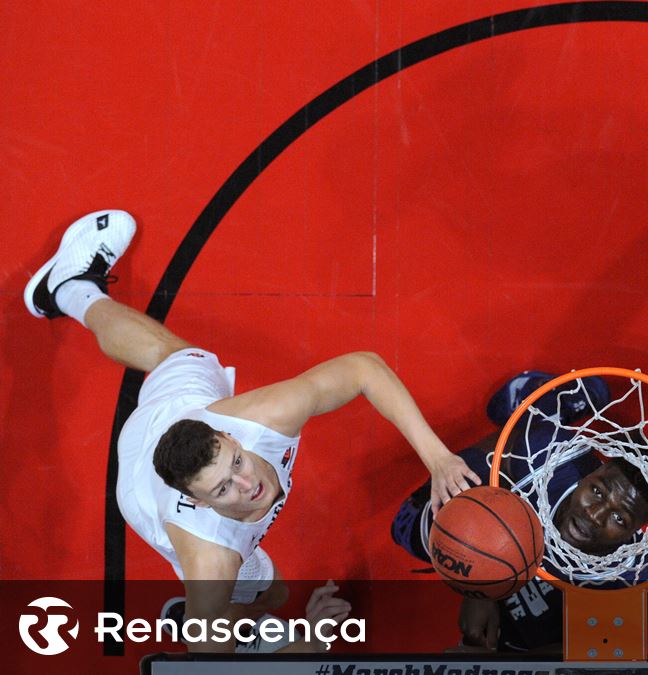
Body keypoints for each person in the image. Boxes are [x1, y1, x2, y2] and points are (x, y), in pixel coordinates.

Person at [24, 211, 478, 651]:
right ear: (200, 501)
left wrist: (437, 458)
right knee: (268, 594)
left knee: (177, 356)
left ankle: (68, 290)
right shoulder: (211, 559)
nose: (249, 484)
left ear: (231, 438)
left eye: (235, 463)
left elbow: (364, 369)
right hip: (142, 494)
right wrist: (312, 642)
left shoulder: (254, 420)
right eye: (225, 488)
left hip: (177, 412)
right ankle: (218, 622)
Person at [392, 371, 648, 653]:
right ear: (590, 475)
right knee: (408, 527)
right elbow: (502, 454)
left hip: (529, 639)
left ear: (640, 531)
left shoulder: (632, 584)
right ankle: (548, 401)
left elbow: (611, 652)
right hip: (518, 510)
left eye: (620, 519)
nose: (596, 515)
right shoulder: (551, 461)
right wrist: (477, 584)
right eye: (597, 491)